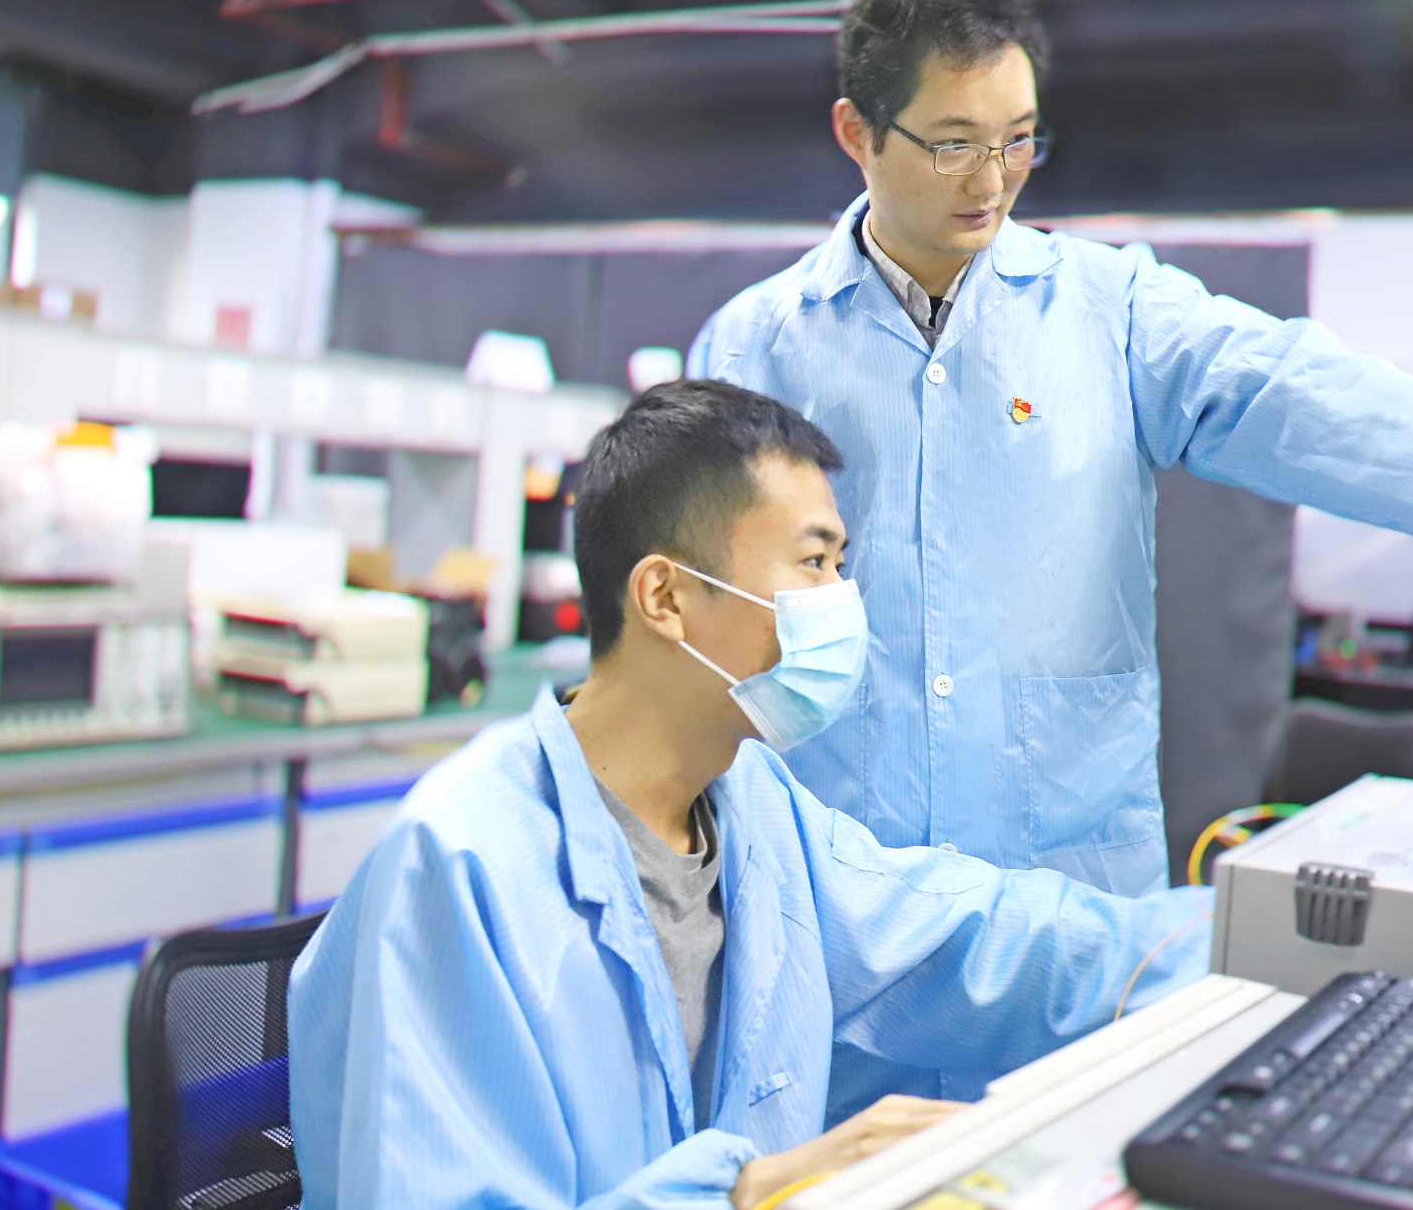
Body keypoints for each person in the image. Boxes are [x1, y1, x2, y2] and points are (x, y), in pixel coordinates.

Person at [687, 0, 1413, 1117]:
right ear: (855, 133)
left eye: (1018, 141)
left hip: (1079, 925)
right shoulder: (755, 346)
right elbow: (700, 624)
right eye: (953, 144)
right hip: (850, 930)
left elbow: (1281, 387)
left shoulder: (1107, 309)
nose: (991, 180)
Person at [287, 379, 1214, 1209]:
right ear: (665, 597)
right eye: (812, 564)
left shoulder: (751, 804)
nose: (841, 601)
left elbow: (974, 936)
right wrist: (741, 1193)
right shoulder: (462, 863)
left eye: (841, 565)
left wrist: (1229, 936)